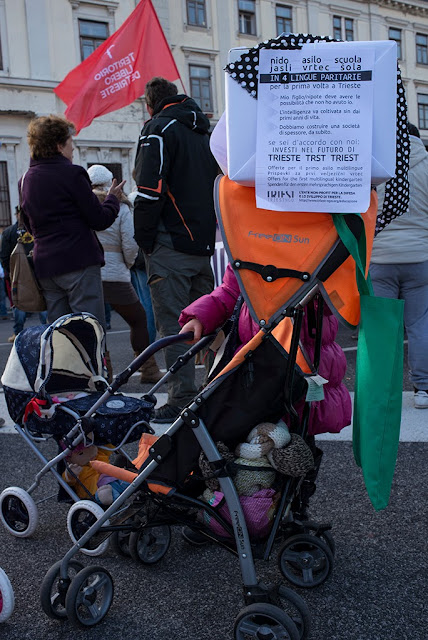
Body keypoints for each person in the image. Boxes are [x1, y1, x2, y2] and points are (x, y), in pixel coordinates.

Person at [133, 77, 218, 423]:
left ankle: (182, 396)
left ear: (149, 104)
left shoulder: (158, 128)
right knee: (211, 323)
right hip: (203, 243)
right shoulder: (204, 132)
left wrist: (145, 240)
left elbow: (148, 192)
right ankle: (215, 390)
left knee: (174, 325)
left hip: (170, 243)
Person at [19, 114, 124, 328]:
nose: (73, 148)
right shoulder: (72, 173)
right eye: (70, 142)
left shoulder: (25, 180)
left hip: (46, 267)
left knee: (60, 334)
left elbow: (28, 225)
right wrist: (113, 199)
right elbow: (99, 219)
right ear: (59, 145)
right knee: (89, 331)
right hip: (78, 261)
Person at [370, 122, 428, 409]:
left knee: (384, 327)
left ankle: (383, 390)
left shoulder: (377, 164)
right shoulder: (426, 165)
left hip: (380, 257)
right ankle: (423, 389)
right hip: (419, 256)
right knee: (419, 325)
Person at [88, 164, 162, 383]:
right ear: (111, 182)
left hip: (91, 274)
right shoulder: (120, 206)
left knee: (94, 327)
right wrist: (127, 264)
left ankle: (104, 374)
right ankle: (147, 369)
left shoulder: (83, 204)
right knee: (138, 319)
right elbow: (130, 243)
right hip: (116, 274)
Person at [0, 207, 48, 342]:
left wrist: (11, 273)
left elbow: (4, 256)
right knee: (43, 302)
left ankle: (18, 333)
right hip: (39, 271)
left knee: (20, 303)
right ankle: (48, 330)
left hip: (19, 275)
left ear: (17, 215)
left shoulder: (9, 232)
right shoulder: (37, 228)